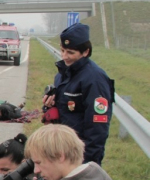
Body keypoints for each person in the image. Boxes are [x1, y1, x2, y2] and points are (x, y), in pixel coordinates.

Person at [42, 23, 114, 165]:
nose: (64, 56)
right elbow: (63, 110)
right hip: (60, 150)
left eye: (70, 53)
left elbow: (98, 128)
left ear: (85, 52)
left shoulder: (95, 79)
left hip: (80, 155)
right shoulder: (62, 74)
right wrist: (49, 106)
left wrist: (88, 163)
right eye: (62, 51)